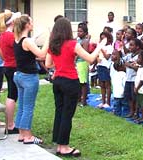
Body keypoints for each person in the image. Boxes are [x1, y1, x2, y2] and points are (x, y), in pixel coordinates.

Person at [45, 17, 107, 157]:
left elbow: (48, 64)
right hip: (70, 82)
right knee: (67, 114)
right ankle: (64, 146)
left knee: (59, 112)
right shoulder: (73, 44)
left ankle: (59, 144)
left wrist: (60, 64)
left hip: (58, 81)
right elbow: (91, 59)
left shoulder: (52, 45)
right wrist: (100, 45)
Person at [13, 15, 49, 144]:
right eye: (31, 21)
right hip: (28, 78)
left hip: (19, 76)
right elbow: (42, 54)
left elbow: (28, 55)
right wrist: (49, 39)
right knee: (28, 106)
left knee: (22, 105)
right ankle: (28, 136)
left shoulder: (17, 39)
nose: (33, 23)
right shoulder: (27, 41)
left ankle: (21, 134)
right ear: (27, 25)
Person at [0, 9, 21, 134]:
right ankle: (10, 124)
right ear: (12, 22)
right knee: (12, 96)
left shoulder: (2, 35)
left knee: (11, 95)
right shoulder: (11, 36)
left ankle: (10, 123)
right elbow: (19, 49)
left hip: (7, 65)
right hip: (13, 66)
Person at [123, 38, 143, 119]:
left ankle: (136, 113)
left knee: (135, 97)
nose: (129, 47)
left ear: (137, 47)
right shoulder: (129, 55)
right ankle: (131, 111)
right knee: (129, 97)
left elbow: (139, 68)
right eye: (129, 45)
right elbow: (123, 61)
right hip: (128, 78)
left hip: (135, 80)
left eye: (132, 45)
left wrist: (130, 65)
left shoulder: (140, 56)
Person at [96, 31, 113, 108]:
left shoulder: (109, 47)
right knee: (101, 84)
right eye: (101, 39)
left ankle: (108, 102)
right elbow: (97, 55)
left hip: (106, 67)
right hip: (100, 66)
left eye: (104, 39)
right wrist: (97, 58)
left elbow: (107, 57)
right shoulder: (100, 47)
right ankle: (103, 101)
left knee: (107, 85)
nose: (102, 40)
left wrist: (101, 48)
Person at [110, 49, 127, 116]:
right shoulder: (123, 74)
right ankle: (125, 113)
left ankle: (117, 113)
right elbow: (124, 84)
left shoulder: (115, 75)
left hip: (116, 93)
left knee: (116, 105)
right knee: (125, 104)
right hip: (122, 93)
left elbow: (113, 83)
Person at [76, 22, 90, 106]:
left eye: (80, 31)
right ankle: (78, 98)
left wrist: (77, 55)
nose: (78, 33)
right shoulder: (78, 40)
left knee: (83, 82)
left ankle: (84, 101)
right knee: (78, 82)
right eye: (78, 31)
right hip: (77, 63)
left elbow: (85, 52)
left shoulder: (85, 41)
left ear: (85, 33)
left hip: (82, 62)